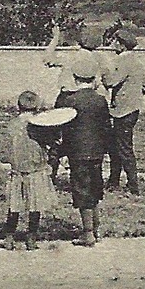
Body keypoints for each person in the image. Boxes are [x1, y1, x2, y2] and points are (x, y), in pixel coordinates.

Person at [57, 55, 112, 247]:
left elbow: (63, 130)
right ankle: (95, 229)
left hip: (77, 153)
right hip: (97, 152)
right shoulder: (100, 101)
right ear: (93, 79)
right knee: (95, 188)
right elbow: (106, 128)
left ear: (75, 78)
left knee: (82, 191)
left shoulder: (70, 101)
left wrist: (61, 153)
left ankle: (88, 234)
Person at [0, 91, 62, 250]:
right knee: (35, 206)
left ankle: (9, 237)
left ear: (18, 107)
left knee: (15, 206)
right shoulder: (39, 125)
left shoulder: (12, 124)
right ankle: (31, 237)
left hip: (18, 170)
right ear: (37, 107)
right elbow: (52, 143)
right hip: (36, 170)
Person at [43, 22, 103, 178]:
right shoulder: (97, 60)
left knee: (57, 137)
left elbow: (47, 58)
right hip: (85, 100)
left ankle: (52, 173)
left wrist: (56, 37)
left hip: (65, 98)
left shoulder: (71, 57)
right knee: (80, 136)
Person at [101, 29, 145, 196]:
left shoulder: (123, 61)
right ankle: (114, 181)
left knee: (123, 148)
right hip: (131, 109)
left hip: (122, 111)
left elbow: (111, 81)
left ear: (121, 44)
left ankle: (133, 186)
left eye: (115, 42)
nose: (113, 45)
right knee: (117, 146)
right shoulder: (137, 61)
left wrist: (104, 70)